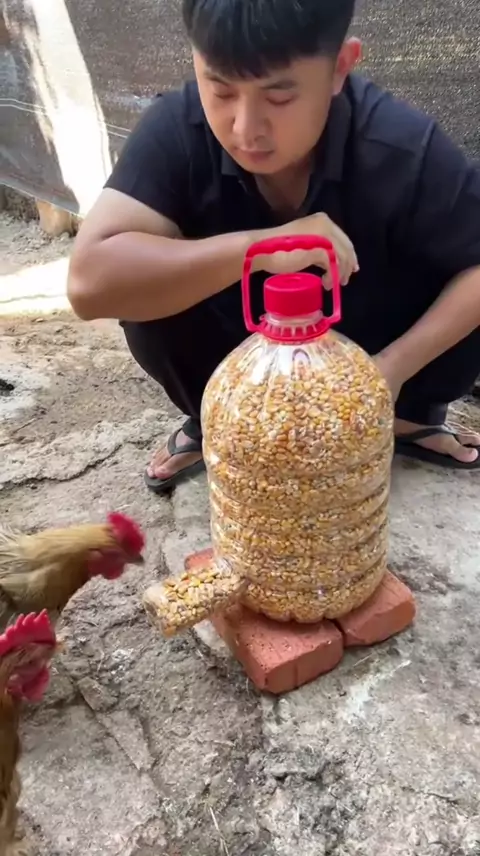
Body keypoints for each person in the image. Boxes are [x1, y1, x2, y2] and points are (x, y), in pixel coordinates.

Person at [67, 0, 480, 492]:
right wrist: (260, 248)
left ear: (340, 66)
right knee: (141, 281)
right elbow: (89, 284)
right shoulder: (177, 128)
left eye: (279, 96)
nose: (245, 128)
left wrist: (386, 374)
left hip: (374, 352)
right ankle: (219, 419)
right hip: (236, 361)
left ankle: (405, 416)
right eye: (221, 90)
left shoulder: (399, 145)